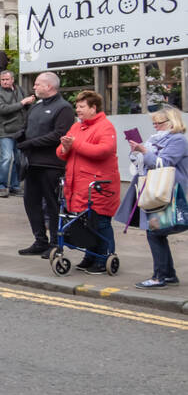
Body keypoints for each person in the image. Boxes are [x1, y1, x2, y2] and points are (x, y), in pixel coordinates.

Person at [118, 106, 188, 288]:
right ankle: (169, 275)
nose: (155, 126)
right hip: (156, 190)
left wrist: (144, 151)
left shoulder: (178, 140)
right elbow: (145, 162)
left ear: (172, 122)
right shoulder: (157, 139)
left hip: (167, 191)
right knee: (156, 232)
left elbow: (163, 163)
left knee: (155, 232)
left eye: (159, 123)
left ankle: (160, 277)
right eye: (154, 123)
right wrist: (137, 152)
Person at [56, 90, 119, 274]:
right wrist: (65, 148)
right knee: (86, 223)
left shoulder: (105, 127)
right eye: (77, 106)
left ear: (93, 108)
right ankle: (90, 257)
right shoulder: (77, 127)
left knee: (100, 224)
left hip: (99, 186)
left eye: (82, 106)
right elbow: (60, 153)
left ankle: (105, 257)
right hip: (79, 185)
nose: (78, 110)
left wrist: (74, 144)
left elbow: (103, 151)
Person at [16, 71, 76, 256]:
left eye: (37, 84)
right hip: (32, 163)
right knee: (31, 203)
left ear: (49, 86)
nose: (34, 87)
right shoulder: (36, 107)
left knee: (52, 204)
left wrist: (31, 142)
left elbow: (59, 134)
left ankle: (55, 243)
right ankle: (40, 240)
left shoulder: (63, 107)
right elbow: (27, 128)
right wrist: (20, 136)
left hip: (52, 164)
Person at [0, 71, 25, 197]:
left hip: (20, 130)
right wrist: (22, 103)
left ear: (12, 79)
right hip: (5, 131)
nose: (4, 81)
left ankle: (15, 186)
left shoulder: (20, 90)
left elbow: (27, 106)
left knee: (19, 160)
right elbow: (2, 109)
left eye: (7, 79)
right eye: (2, 79)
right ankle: (1, 186)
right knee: (6, 158)